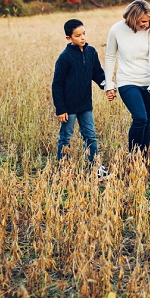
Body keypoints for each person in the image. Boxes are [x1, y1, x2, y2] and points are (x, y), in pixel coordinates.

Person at [51, 18, 113, 179]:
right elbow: (57, 85)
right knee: (66, 136)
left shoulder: (91, 52)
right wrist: (61, 108)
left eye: (84, 33)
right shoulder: (64, 58)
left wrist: (106, 85)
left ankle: (95, 167)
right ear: (69, 38)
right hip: (69, 107)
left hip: (86, 104)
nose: (82, 38)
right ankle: (63, 169)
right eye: (78, 35)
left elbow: (97, 73)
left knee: (90, 135)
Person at [105, 0, 150, 154]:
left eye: (149, 21)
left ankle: (141, 161)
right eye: (143, 21)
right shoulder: (116, 29)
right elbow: (110, 57)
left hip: (148, 82)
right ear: (133, 17)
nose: (146, 24)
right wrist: (109, 84)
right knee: (140, 118)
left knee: (148, 123)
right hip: (127, 81)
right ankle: (132, 156)